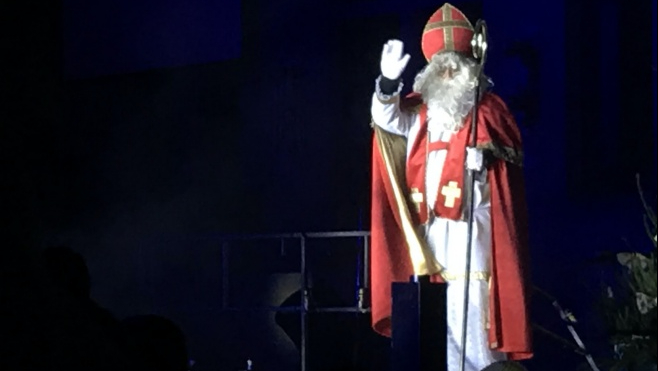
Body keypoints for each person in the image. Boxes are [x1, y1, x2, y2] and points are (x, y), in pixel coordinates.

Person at [368, 3, 533, 370]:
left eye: (453, 67)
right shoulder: (417, 112)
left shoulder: (488, 111)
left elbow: (508, 169)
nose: (446, 73)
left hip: (471, 234)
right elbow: (384, 118)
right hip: (430, 238)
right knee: (434, 327)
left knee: (472, 314)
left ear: (468, 70)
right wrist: (387, 82)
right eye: (439, 67)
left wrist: (485, 163)